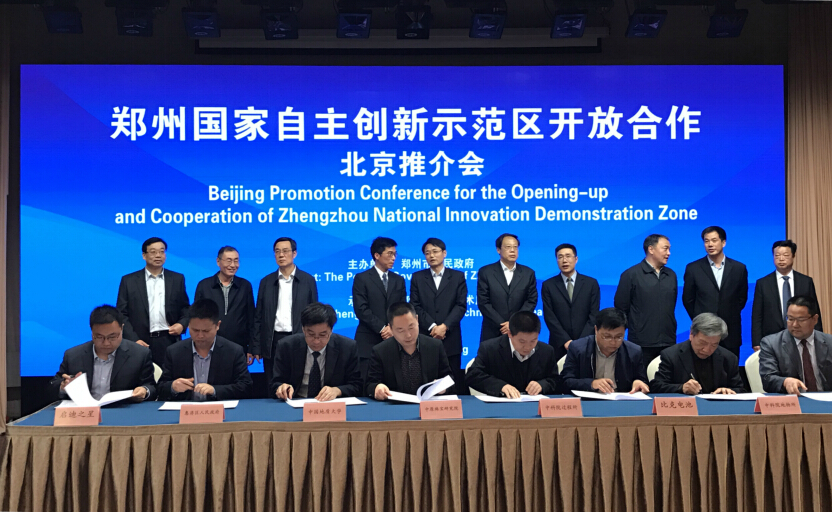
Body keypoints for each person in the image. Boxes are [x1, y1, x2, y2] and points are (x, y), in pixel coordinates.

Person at [252, 237, 318, 396]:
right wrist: (256, 346)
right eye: (277, 251)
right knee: (273, 383)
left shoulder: (308, 280)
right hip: (273, 340)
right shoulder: (266, 281)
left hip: (299, 338)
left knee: (299, 382)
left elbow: (314, 314)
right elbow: (258, 316)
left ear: (294, 253)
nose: (281, 255)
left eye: (285, 251)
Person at [50, 305, 156, 402]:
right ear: (91, 331)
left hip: (122, 411)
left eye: (112, 337)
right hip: (85, 411)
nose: (106, 343)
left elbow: (151, 386)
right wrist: (63, 386)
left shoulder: (140, 354)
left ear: (122, 328)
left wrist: (144, 390)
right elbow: (53, 386)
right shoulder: (73, 355)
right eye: (99, 337)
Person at [158, 299, 253, 401]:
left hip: (219, 408)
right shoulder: (174, 352)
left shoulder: (234, 351)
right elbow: (160, 388)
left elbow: (245, 387)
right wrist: (173, 387)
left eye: (206, 331)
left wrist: (215, 390)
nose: (200, 335)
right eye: (195, 330)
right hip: (186, 408)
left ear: (217, 326)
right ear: (188, 325)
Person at [116, 237, 190, 366]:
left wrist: (182, 325)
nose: (158, 255)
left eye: (162, 251)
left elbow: (185, 308)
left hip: (169, 339)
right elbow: (121, 313)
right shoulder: (129, 281)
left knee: (168, 376)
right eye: (153, 252)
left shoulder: (177, 279)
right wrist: (133, 339)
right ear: (144, 255)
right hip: (140, 341)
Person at [271, 302, 362, 401]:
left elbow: (356, 386)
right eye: (311, 334)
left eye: (322, 335)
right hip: (296, 401)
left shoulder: (347, 347)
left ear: (331, 330)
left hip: (330, 404)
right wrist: (282, 387)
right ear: (303, 329)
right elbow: (275, 383)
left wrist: (337, 390)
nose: (316, 341)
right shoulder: (287, 346)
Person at [409, 237, 468, 389]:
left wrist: (444, 326)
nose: (431, 256)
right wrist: (432, 327)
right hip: (425, 336)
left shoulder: (457, 276)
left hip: (450, 337)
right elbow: (415, 305)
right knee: (424, 380)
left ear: (444, 253)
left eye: (435, 251)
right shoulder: (417, 277)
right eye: (427, 253)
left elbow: (461, 306)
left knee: (451, 382)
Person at [682, 227, 748, 358]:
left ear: (723, 242)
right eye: (706, 241)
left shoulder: (739, 268)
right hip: (703, 332)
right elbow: (688, 299)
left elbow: (741, 298)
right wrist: (701, 320)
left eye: (714, 240)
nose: (710, 244)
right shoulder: (693, 268)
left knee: (729, 366)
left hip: (730, 331)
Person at [366, 302, 454, 400]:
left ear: (417, 320)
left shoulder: (435, 346)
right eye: (400, 330)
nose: (408, 335)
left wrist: (443, 387)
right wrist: (377, 388)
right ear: (390, 328)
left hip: (427, 405)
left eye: (411, 327)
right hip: (395, 406)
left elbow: (450, 380)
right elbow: (370, 385)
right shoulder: (380, 351)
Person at [614, 234, 677, 367]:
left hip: (668, 341)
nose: (669, 253)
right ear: (651, 249)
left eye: (669, 249)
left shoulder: (671, 275)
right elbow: (621, 308)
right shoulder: (631, 274)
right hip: (642, 343)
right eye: (665, 248)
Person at [466, 311, 560, 397]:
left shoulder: (547, 351)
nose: (527, 347)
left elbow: (556, 380)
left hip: (534, 405)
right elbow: (473, 376)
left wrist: (542, 385)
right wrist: (501, 386)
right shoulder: (490, 348)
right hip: (501, 405)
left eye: (533, 341)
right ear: (510, 334)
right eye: (522, 341)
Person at [352, 237, 407, 381]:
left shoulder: (399, 280)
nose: (394, 258)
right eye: (390, 254)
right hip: (368, 341)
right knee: (367, 383)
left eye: (395, 254)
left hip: (394, 341)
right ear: (377, 255)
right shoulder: (362, 278)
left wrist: (393, 328)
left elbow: (402, 308)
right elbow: (361, 309)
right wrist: (382, 329)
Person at [752, 240, 823, 350]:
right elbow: (757, 315)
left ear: (793, 256)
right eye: (777, 255)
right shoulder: (763, 283)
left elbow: (814, 310)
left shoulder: (805, 281)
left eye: (785, 255)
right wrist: (756, 342)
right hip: (772, 337)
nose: (781, 259)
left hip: (802, 335)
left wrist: (819, 338)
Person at [650, 312, 745, 395]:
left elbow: (741, 389)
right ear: (691, 335)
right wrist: (681, 388)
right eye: (702, 343)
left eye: (714, 345)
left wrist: (728, 391)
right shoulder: (671, 355)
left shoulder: (729, 358)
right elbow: (657, 386)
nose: (707, 350)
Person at [561, 308, 649, 394]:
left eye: (619, 337)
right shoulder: (577, 348)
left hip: (621, 399)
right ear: (596, 330)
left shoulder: (633, 352)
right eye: (607, 337)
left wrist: (638, 382)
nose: (613, 342)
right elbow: (565, 382)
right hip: (588, 399)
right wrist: (591, 384)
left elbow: (643, 380)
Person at [194, 246, 256, 363]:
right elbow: (197, 318)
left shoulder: (245, 286)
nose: (233, 265)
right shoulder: (204, 285)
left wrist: (252, 347)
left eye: (236, 261)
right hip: (209, 346)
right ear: (218, 261)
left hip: (239, 347)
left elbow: (251, 318)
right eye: (228, 261)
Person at [759, 295, 832, 394]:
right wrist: (785, 382)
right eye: (790, 319)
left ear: (815, 319)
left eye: (801, 320)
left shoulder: (829, 342)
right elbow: (767, 378)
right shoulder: (771, 344)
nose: (795, 325)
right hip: (793, 399)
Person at [541, 243, 600, 361]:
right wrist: (565, 340)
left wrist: (580, 342)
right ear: (556, 260)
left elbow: (594, 315)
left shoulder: (591, 284)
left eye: (568, 256)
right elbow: (549, 316)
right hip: (559, 344)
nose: (564, 260)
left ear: (576, 259)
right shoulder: (548, 285)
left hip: (586, 343)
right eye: (560, 257)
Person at [476, 233, 538, 341]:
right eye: (508, 247)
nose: (512, 250)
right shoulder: (486, 272)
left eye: (515, 247)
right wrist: (502, 324)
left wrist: (514, 323)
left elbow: (531, 301)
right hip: (493, 331)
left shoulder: (528, 273)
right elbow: (483, 302)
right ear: (498, 250)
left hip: (519, 331)